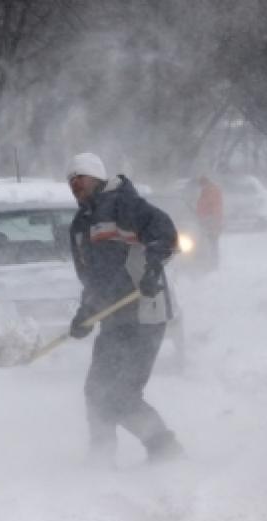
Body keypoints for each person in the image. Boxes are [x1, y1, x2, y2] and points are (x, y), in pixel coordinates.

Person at [65, 152, 184, 466]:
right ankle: (101, 456)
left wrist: (152, 268)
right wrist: (85, 314)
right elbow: (92, 278)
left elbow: (164, 232)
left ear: (97, 178)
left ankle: (165, 450)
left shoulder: (123, 204)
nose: (75, 186)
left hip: (146, 312)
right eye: (70, 182)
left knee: (122, 395)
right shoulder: (80, 226)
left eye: (80, 179)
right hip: (114, 318)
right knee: (96, 390)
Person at [194, 175, 223, 268]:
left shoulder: (211, 191)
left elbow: (213, 206)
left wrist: (211, 219)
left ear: (204, 183)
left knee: (212, 243)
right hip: (209, 220)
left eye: (201, 184)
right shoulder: (207, 190)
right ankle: (211, 261)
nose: (200, 187)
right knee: (210, 242)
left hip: (211, 221)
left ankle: (213, 263)